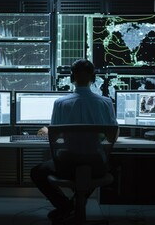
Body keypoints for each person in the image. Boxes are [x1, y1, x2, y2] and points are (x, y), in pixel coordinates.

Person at [31, 58, 119, 223]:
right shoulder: (106, 103)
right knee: (113, 166)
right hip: (96, 167)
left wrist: (47, 130)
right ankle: (79, 201)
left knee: (37, 172)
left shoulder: (60, 103)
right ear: (93, 78)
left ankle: (66, 206)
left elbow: (55, 136)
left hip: (66, 166)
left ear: (72, 78)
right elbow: (112, 136)